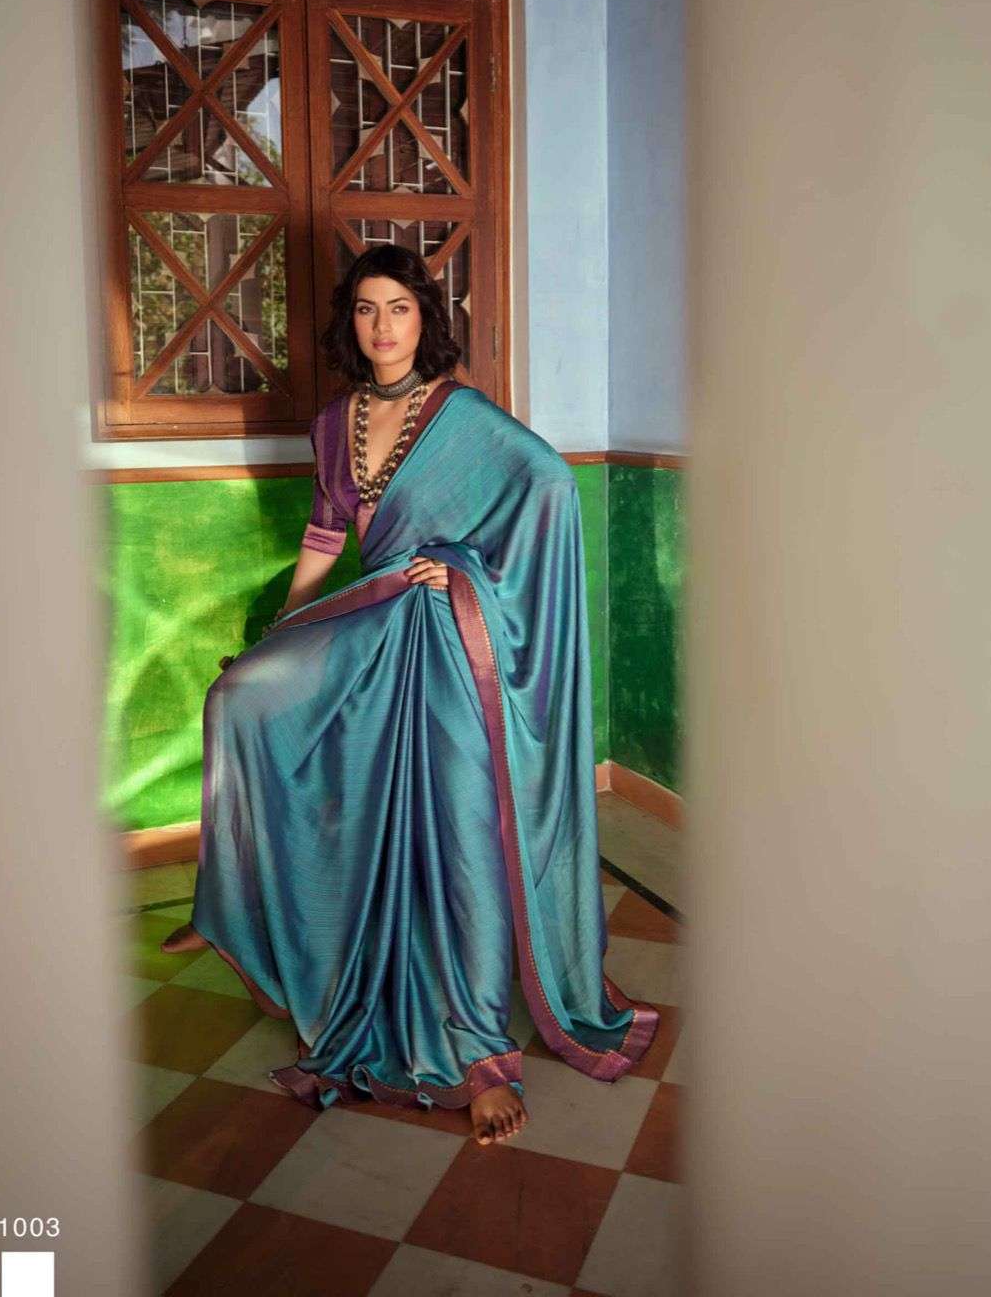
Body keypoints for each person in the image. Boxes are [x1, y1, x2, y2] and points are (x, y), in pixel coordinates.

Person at [160, 244, 659, 1145]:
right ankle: (235, 908)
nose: (382, 326)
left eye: (399, 307)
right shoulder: (334, 423)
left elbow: (549, 490)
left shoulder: (462, 415)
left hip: (444, 637)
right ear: (349, 322)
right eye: (366, 309)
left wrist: (462, 568)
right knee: (238, 699)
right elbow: (324, 537)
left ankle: (478, 1053)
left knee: (459, 832)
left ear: (425, 317)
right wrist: (286, 628)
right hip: (368, 619)